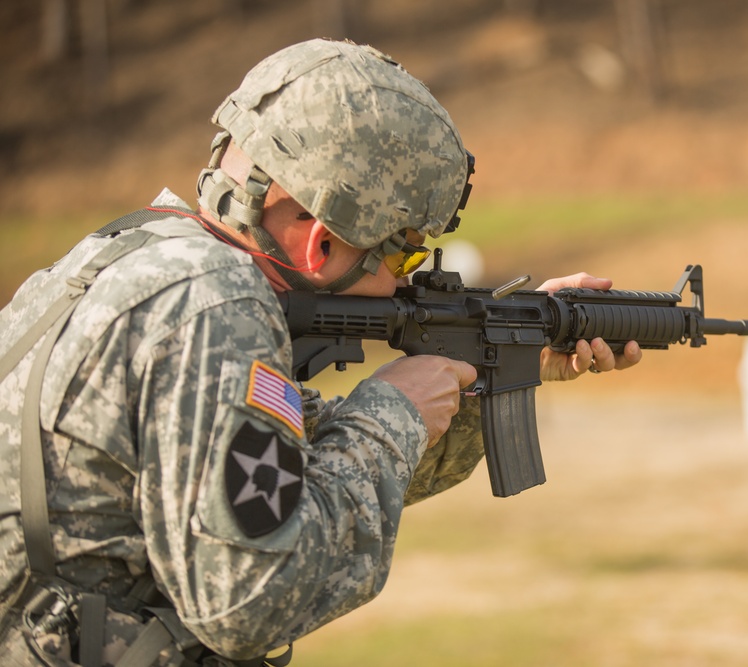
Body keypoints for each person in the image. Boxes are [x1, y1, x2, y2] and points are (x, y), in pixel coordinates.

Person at [0, 39, 641, 666]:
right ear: (322, 245)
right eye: (404, 253)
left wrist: (501, 363)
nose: (404, 280)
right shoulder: (217, 304)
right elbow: (250, 605)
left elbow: (291, 474)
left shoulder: (127, 258)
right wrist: (392, 413)